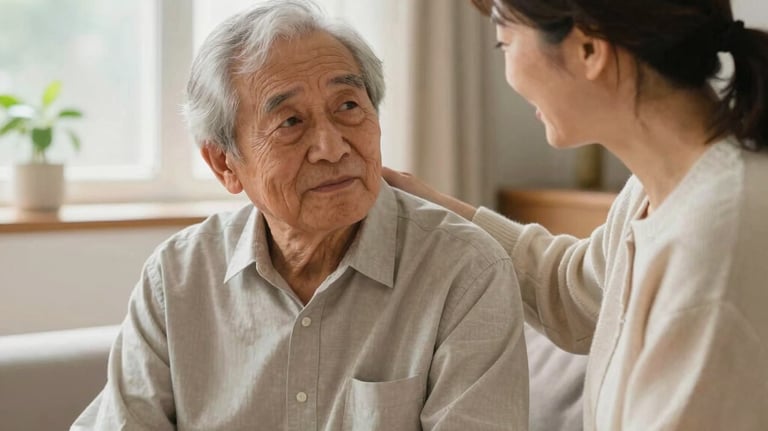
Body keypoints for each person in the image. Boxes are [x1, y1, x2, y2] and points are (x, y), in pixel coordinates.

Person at [70, 1, 529, 430]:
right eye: (290, 122)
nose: (331, 148)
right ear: (225, 164)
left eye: (348, 106)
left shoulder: (466, 271)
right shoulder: (176, 278)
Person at [384, 0, 768, 430]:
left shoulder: (717, 244)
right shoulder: (657, 187)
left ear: (588, 49)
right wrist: (439, 213)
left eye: (504, 44)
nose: (508, 73)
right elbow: (575, 291)